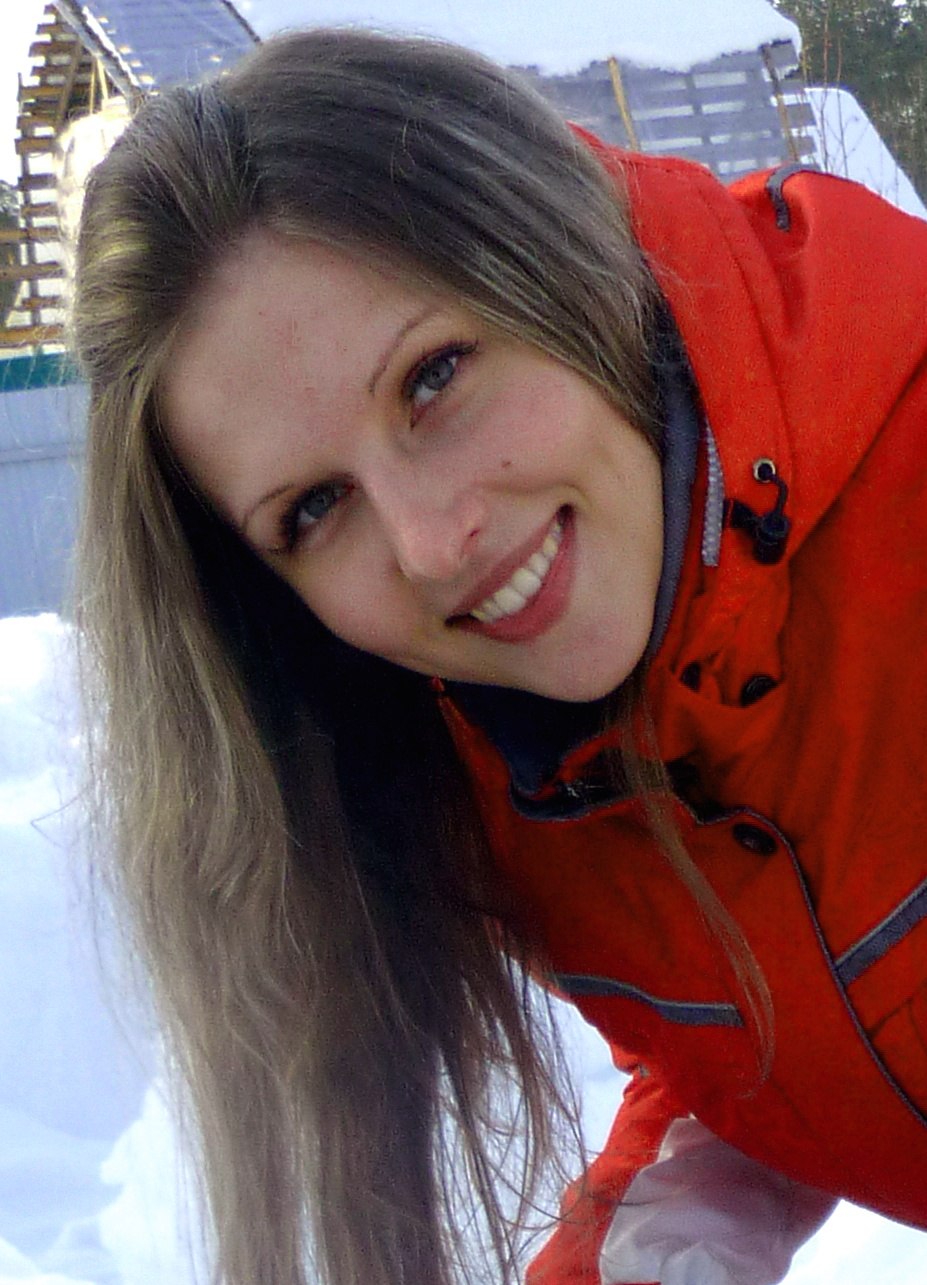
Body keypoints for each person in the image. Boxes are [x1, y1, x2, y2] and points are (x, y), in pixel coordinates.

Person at [69, 27, 927, 1285]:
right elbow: (768, 1004)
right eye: (314, 510)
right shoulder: (479, 747)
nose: (430, 543)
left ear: (559, 261)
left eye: (434, 377)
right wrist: (676, 1220)